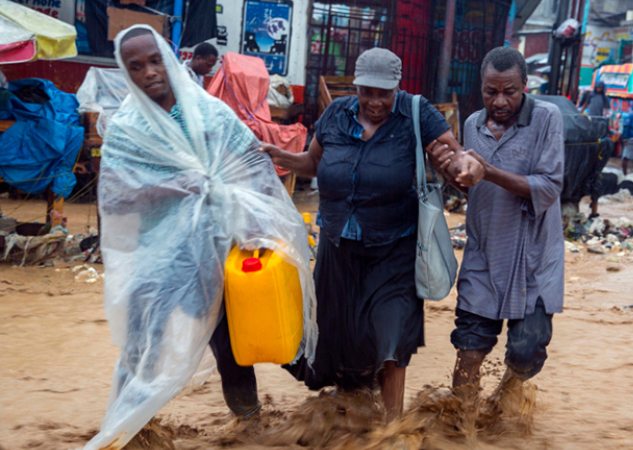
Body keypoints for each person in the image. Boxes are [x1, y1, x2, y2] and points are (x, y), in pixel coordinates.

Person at [86, 26, 316, 449]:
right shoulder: (125, 130)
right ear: (126, 72)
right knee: (142, 350)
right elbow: (118, 198)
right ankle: (128, 432)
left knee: (236, 344)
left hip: (219, 248)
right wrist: (175, 185)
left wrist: (258, 227)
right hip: (157, 261)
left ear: (172, 60)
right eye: (136, 67)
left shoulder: (211, 114)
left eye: (156, 61)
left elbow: (252, 169)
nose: (150, 73)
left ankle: (260, 421)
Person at [261, 48, 484, 418]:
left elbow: (455, 154)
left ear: (398, 88)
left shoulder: (416, 112)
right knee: (339, 339)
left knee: (391, 335)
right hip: (337, 248)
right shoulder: (335, 114)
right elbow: (314, 164)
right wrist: (279, 155)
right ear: (356, 85)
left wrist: (464, 166)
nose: (376, 101)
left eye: (385, 93)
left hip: (394, 248)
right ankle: (352, 412)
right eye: (368, 92)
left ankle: (392, 429)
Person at [430, 47, 564, 413]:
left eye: (509, 92)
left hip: (534, 260)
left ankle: (508, 394)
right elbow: (470, 186)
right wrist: (448, 172)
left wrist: (487, 170)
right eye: (491, 91)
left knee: (526, 352)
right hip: (485, 257)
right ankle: (463, 427)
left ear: (525, 85)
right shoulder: (472, 125)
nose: (500, 101)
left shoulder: (547, 118)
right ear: (481, 88)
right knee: (468, 347)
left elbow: (549, 188)